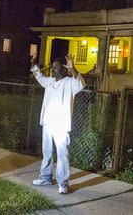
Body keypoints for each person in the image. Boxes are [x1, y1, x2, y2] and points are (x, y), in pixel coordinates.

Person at [30, 54, 85, 194]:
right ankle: (46, 177)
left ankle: (63, 183)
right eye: (52, 67)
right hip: (48, 123)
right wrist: (33, 64)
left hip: (61, 125)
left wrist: (73, 69)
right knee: (47, 152)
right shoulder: (50, 82)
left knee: (62, 155)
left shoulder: (69, 83)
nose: (53, 69)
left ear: (64, 69)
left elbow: (81, 83)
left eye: (56, 67)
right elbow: (39, 77)